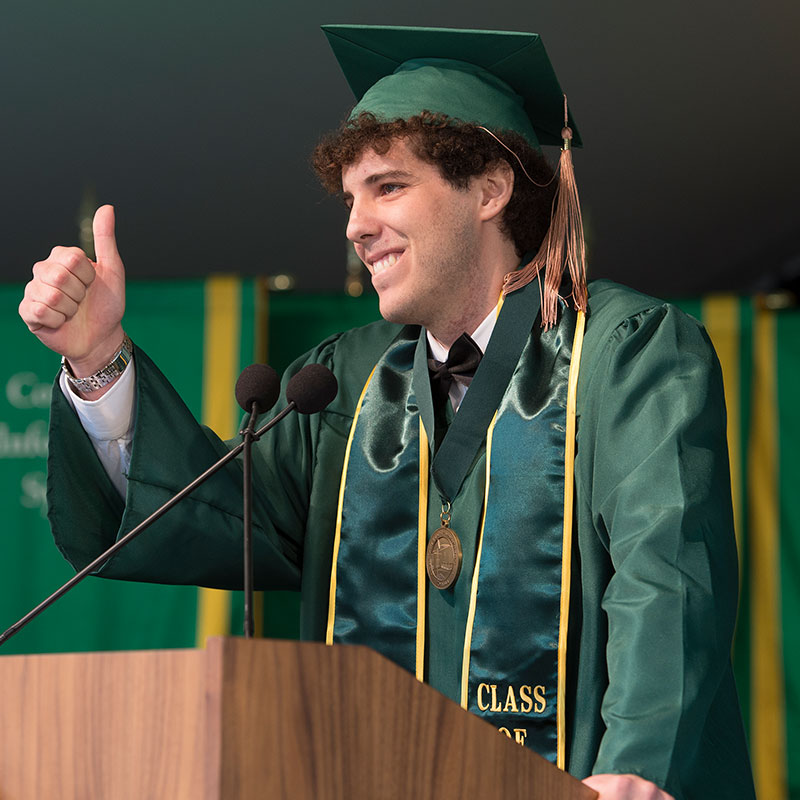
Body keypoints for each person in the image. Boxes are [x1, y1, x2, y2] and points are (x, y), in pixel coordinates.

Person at [18, 25, 755, 800]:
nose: (354, 226)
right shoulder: (345, 382)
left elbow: (668, 575)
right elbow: (207, 513)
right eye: (349, 199)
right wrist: (99, 358)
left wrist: (636, 768)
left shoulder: (625, 356)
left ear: (490, 190)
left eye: (388, 187)